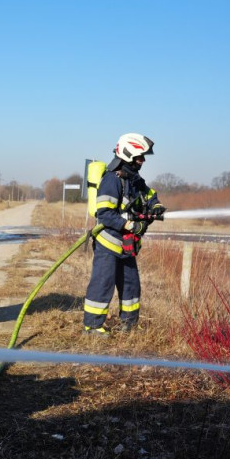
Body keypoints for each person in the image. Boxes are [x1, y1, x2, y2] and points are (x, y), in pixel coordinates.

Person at [83, 133, 166, 335]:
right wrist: (130, 226)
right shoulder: (112, 180)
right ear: (128, 155)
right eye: (140, 157)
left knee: (131, 285)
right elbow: (105, 214)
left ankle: (129, 324)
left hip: (126, 245)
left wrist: (156, 206)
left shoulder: (135, 180)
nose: (143, 160)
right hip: (108, 244)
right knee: (103, 284)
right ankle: (92, 326)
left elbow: (150, 195)